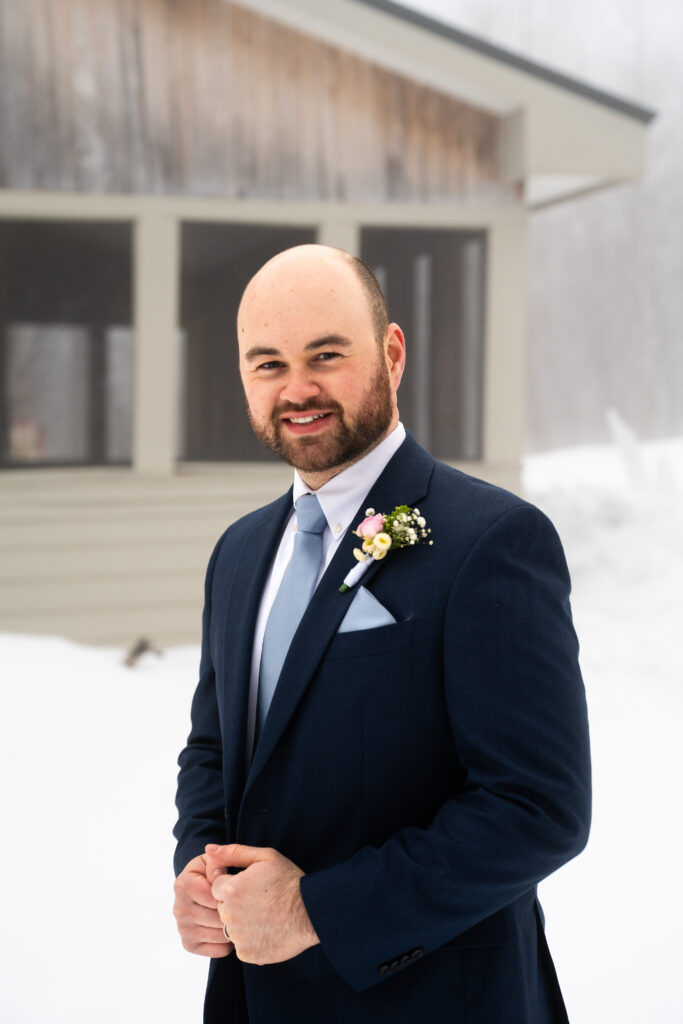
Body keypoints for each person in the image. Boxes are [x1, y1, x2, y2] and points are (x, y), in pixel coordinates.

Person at [172, 244, 591, 1024]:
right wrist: (200, 870)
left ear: (390, 354)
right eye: (267, 364)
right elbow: (216, 749)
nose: (297, 390)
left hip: (432, 1000)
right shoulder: (237, 554)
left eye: (325, 355)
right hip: (253, 999)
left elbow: (537, 808)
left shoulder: (490, 539)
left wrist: (313, 910)